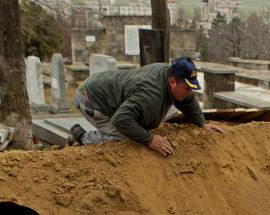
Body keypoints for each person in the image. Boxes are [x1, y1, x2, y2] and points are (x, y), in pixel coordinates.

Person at [67, 56, 223, 156]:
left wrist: (201, 123)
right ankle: (82, 137)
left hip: (108, 90)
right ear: (172, 82)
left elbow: (187, 100)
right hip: (91, 98)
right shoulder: (151, 93)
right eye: (187, 88)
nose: (189, 93)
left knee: (136, 127)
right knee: (123, 136)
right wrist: (150, 139)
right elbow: (121, 120)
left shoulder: (170, 75)